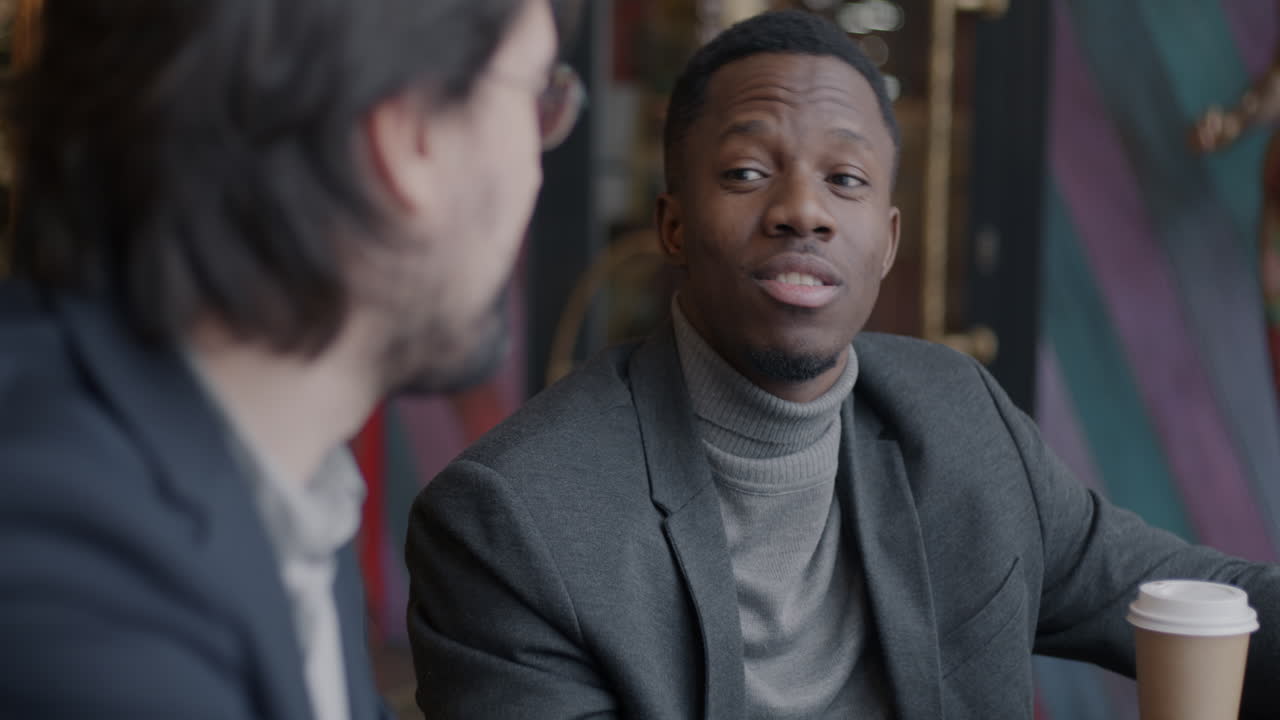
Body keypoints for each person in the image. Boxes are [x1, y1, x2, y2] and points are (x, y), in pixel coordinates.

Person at [405, 10, 1280, 719]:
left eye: (847, 181)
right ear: (673, 226)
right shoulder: (516, 523)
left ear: (889, 243)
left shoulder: (959, 418)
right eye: (748, 172)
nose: (802, 212)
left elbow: (1193, 593)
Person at [0, 0, 582, 717]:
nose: (537, 170)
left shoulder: (286, 480)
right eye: (535, 98)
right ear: (409, 138)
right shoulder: (75, 571)